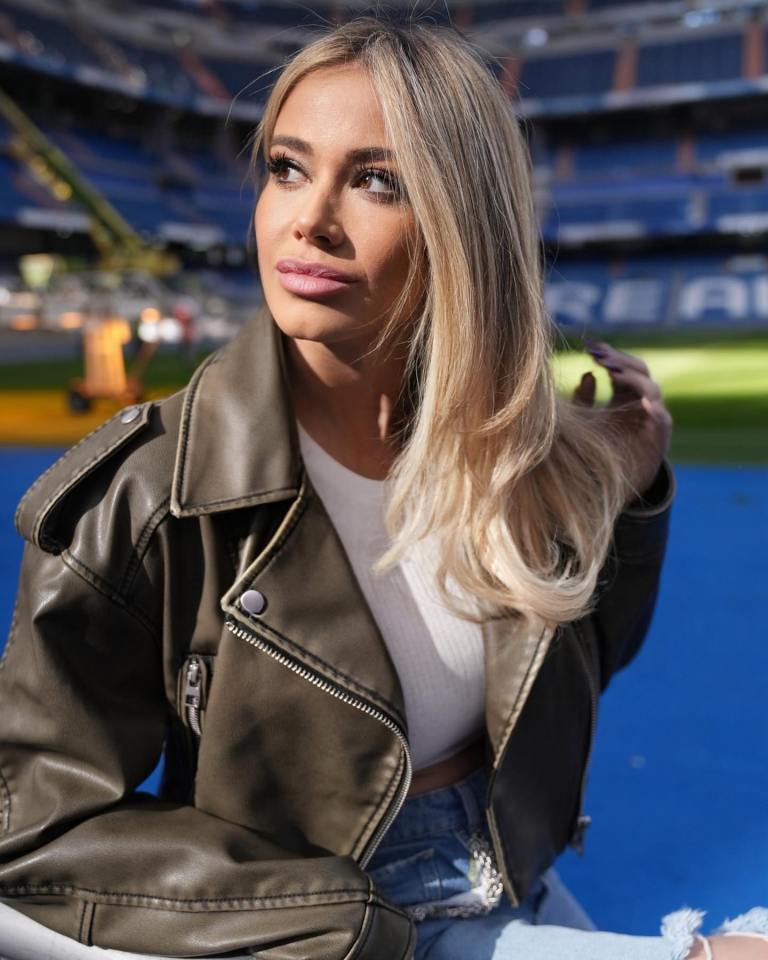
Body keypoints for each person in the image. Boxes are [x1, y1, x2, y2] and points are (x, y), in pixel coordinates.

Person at [0, 14, 766, 960]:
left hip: (506, 875)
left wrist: (628, 493)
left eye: (375, 181)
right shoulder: (149, 494)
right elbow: (34, 832)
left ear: (462, 223)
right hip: (335, 930)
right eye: (287, 167)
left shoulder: (509, 451)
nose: (307, 219)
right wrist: (320, 917)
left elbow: (566, 676)